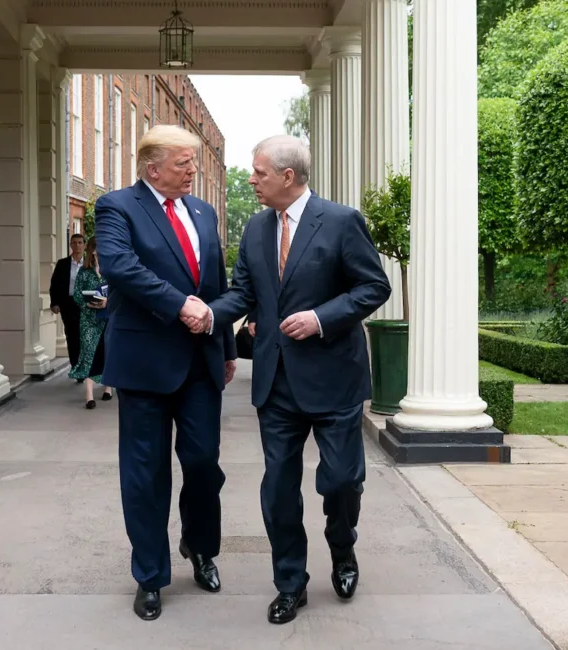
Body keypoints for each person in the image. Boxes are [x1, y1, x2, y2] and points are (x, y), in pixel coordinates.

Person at [187, 135, 390, 624]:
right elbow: (243, 293)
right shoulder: (256, 228)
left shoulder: (341, 221)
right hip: (276, 382)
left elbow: (374, 286)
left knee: (341, 481)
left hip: (334, 378)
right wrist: (209, 315)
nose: (250, 180)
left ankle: (342, 549)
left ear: (288, 176)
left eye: (258, 172)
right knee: (278, 486)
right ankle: (290, 582)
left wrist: (320, 318)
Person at [96, 124, 237, 621]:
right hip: (143, 363)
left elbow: (216, 281)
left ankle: (200, 549)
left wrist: (226, 345)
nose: (193, 171)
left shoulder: (203, 211)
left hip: (201, 360)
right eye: (184, 163)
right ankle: (150, 575)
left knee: (203, 463)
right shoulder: (117, 206)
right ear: (152, 167)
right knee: (145, 473)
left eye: (194, 162)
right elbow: (119, 267)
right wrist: (181, 307)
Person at [68, 236, 113, 407]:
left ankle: (107, 388)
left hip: (107, 318)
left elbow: (118, 291)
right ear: (94, 250)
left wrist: (107, 301)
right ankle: (89, 396)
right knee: (88, 353)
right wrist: (88, 302)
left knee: (106, 352)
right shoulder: (84, 272)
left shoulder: (111, 270)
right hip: (88, 319)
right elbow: (77, 294)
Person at [49, 233, 86, 378]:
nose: (77, 246)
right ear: (70, 245)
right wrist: (54, 303)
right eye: (74, 243)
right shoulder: (62, 264)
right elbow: (55, 284)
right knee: (72, 335)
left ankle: (85, 365)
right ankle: (76, 366)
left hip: (86, 304)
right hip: (68, 304)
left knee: (85, 335)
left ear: (84, 245)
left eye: (79, 243)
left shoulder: (90, 263)